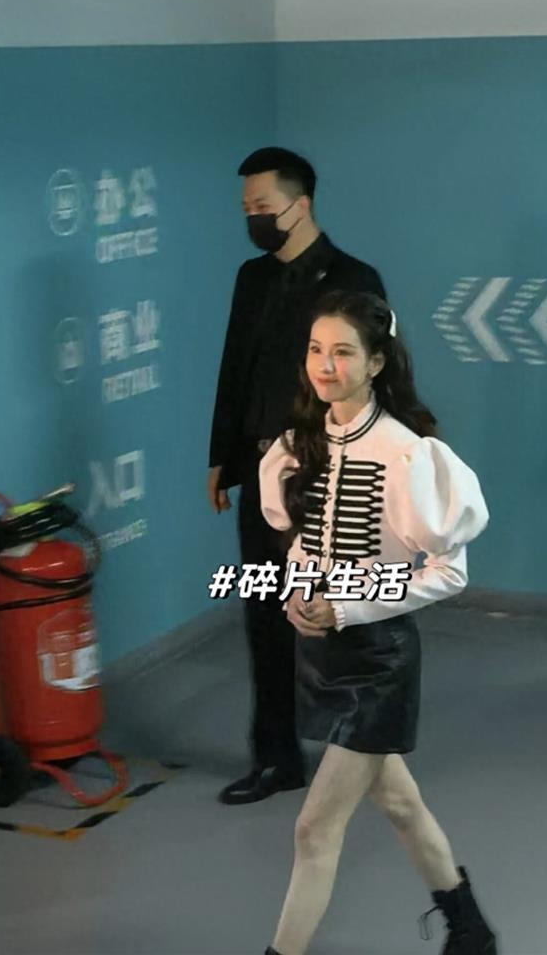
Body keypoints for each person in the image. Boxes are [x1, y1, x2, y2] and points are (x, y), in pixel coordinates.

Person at [259, 290, 498, 955]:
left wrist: (349, 605)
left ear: (376, 363)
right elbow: (304, 544)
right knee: (399, 804)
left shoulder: (408, 454)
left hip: (378, 663)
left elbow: (449, 573)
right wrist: (300, 595)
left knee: (313, 830)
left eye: (342, 352)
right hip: (322, 656)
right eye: (316, 350)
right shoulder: (298, 445)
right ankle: (471, 932)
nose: (324, 365)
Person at [208, 148, 386, 805]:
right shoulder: (252, 278)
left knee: (340, 619)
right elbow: (235, 371)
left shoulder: (353, 279)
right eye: (246, 209)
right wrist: (221, 459)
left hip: (326, 472)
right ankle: (276, 757)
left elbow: (375, 379)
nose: (253, 218)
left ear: (300, 205)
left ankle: (361, 751)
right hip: (262, 473)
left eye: (263, 207)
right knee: (266, 617)